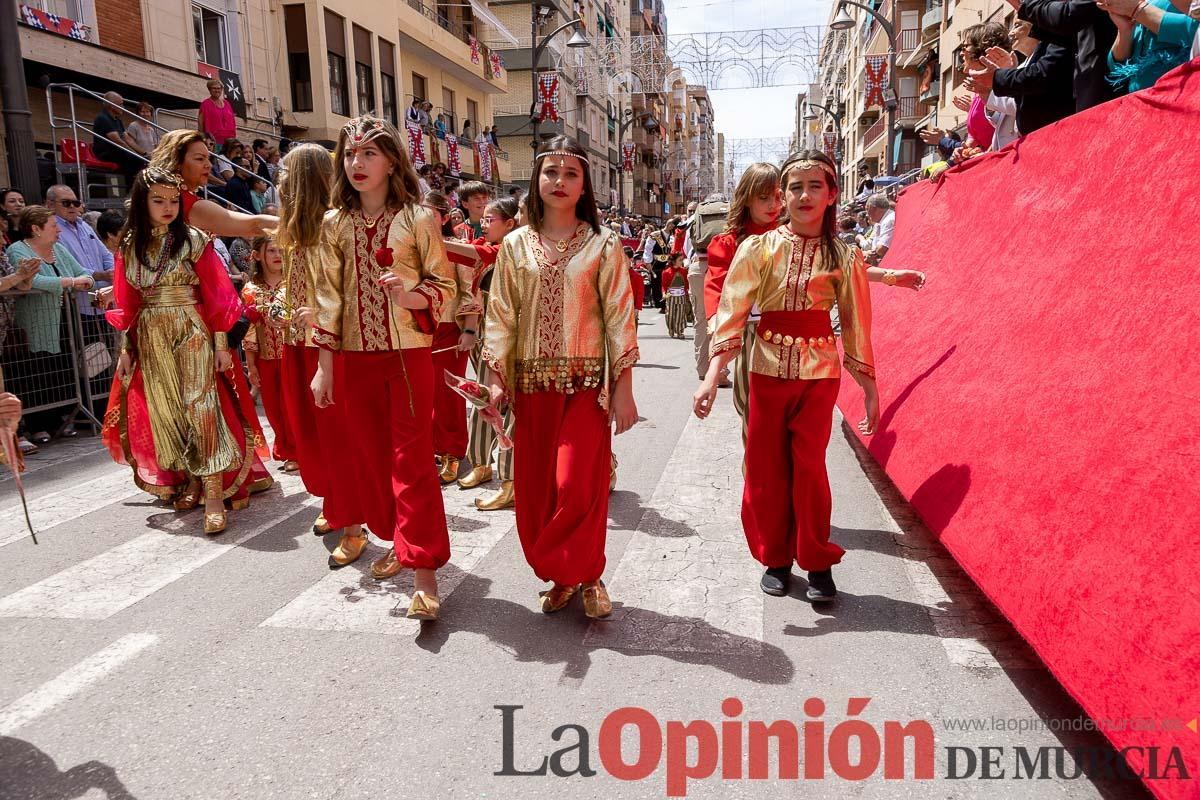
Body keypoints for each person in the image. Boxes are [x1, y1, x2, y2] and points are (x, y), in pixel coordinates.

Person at [694, 150, 878, 603]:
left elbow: (856, 324)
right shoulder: (757, 248)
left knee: (811, 468)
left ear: (832, 195)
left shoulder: (845, 255)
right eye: (795, 187)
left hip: (819, 374)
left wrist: (870, 388)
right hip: (766, 369)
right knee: (765, 467)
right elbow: (731, 311)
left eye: (816, 186)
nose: (804, 195)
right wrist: (711, 374)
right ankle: (776, 557)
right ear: (783, 196)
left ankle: (817, 561)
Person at [482, 135, 639, 619]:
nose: (559, 181)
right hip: (531, 389)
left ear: (585, 184)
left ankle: (589, 574)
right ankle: (564, 577)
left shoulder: (603, 245)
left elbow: (619, 316)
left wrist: (624, 390)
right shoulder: (513, 246)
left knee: (577, 486)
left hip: (587, 387)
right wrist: (493, 379)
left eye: (571, 174)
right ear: (536, 179)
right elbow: (501, 315)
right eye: (551, 172)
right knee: (538, 493)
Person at [309, 114, 455, 620]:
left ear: (392, 159)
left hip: (407, 355)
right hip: (353, 360)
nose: (357, 163)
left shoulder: (417, 217)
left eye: (369, 153)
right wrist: (324, 366)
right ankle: (399, 540)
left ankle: (424, 574)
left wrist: (412, 293)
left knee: (410, 461)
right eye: (350, 154)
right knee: (371, 460)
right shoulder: (333, 224)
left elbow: (445, 285)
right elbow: (327, 298)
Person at [102, 168, 269, 534]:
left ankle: (213, 493)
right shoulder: (130, 245)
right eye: (158, 200)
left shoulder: (193, 239)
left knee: (201, 404)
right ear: (142, 202)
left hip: (192, 327)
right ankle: (190, 479)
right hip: (149, 332)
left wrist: (222, 342)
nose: (167, 207)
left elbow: (218, 293)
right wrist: (126, 346)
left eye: (174, 200)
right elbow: (127, 299)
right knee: (168, 408)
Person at [274, 142, 358, 544]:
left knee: (335, 434)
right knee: (310, 433)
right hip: (296, 342)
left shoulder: (334, 224)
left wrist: (323, 321)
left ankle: (353, 519)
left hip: (327, 347)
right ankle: (334, 502)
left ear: (304, 178)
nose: (279, 179)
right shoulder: (288, 228)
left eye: (286, 172)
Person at [445, 196, 520, 510]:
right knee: (480, 395)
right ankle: (481, 463)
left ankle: (511, 478)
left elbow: (481, 254)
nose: (485, 224)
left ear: (511, 223)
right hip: (485, 326)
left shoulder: (511, 250)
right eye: (484, 218)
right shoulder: (482, 243)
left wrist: (434, 238)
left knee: (512, 404)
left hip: (512, 332)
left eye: (492, 219)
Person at [702, 163, 783, 439]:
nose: (773, 205)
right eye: (763, 198)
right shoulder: (728, 242)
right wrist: (716, 326)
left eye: (777, 196)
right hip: (751, 334)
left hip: (792, 333)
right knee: (750, 409)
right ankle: (755, 478)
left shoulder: (794, 235)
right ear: (747, 198)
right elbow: (716, 284)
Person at [5, 205, 93, 443]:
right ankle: (37, 425)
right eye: (53, 226)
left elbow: (84, 272)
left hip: (64, 320)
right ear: (36, 229)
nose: (58, 231)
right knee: (35, 373)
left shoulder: (59, 250)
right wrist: (71, 282)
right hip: (37, 323)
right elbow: (36, 281)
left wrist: (85, 279)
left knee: (62, 368)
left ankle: (59, 421)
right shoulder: (18, 250)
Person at [424, 190, 484, 486]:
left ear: (445, 218)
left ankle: (452, 452)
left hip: (449, 329)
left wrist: (470, 329)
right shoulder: (410, 248)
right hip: (417, 332)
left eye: (430, 214)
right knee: (422, 396)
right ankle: (431, 449)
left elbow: (469, 291)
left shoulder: (459, 248)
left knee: (448, 395)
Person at [149, 129, 276, 238]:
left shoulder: (184, 199)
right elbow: (253, 225)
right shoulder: (188, 204)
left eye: (208, 158)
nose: (208, 165)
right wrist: (293, 226)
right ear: (176, 162)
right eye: (200, 159)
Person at [241, 235, 297, 471]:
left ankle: (297, 451)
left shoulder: (294, 283)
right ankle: (285, 449)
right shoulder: (251, 289)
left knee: (292, 405)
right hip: (266, 357)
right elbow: (250, 330)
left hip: (293, 354)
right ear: (257, 256)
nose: (277, 256)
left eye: (281, 251)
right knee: (273, 408)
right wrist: (251, 365)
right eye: (272, 251)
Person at [1018, 0, 1119, 111]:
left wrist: (1023, 4)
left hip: (1111, 88)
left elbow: (1068, 15)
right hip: (1091, 90)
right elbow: (1070, 36)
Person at [1101, 0, 1198, 91]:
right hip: (1141, 100)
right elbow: (1116, 68)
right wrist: (1125, 30)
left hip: (1180, 93)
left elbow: (1195, 30)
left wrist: (1138, 10)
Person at [92, 92, 142, 185]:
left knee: (140, 160)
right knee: (134, 160)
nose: (123, 107)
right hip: (105, 153)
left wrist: (143, 153)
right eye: (121, 104)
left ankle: (132, 188)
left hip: (116, 151)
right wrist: (135, 154)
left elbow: (127, 139)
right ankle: (129, 190)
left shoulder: (117, 120)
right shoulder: (103, 118)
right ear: (112, 106)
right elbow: (118, 141)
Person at [642, 218, 676, 312]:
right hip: (656, 263)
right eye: (670, 222)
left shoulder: (673, 236)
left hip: (668, 263)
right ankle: (660, 304)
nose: (671, 225)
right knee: (656, 283)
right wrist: (648, 262)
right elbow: (648, 249)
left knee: (668, 283)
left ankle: (667, 303)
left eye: (673, 223)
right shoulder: (655, 235)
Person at [198, 79, 237, 149]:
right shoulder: (205, 104)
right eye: (214, 88)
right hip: (214, 142)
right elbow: (200, 123)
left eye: (219, 88)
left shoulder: (227, 104)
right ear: (209, 90)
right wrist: (202, 139)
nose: (217, 90)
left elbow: (233, 122)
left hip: (230, 142)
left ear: (222, 90)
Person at [662, 252, 689, 339]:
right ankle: (671, 329)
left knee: (680, 314)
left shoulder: (684, 271)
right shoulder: (666, 272)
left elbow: (686, 284)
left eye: (682, 260)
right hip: (670, 297)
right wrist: (664, 293)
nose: (682, 261)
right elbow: (664, 285)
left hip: (681, 296)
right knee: (670, 314)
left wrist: (687, 293)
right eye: (680, 260)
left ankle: (679, 331)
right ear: (674, 261)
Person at [863, 194, 894, 265]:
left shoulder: (889, 220)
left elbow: (881, 249)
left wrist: (871, 253)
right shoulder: (879, 223)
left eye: (867, 209)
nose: (867, 215)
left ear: (872, 208)